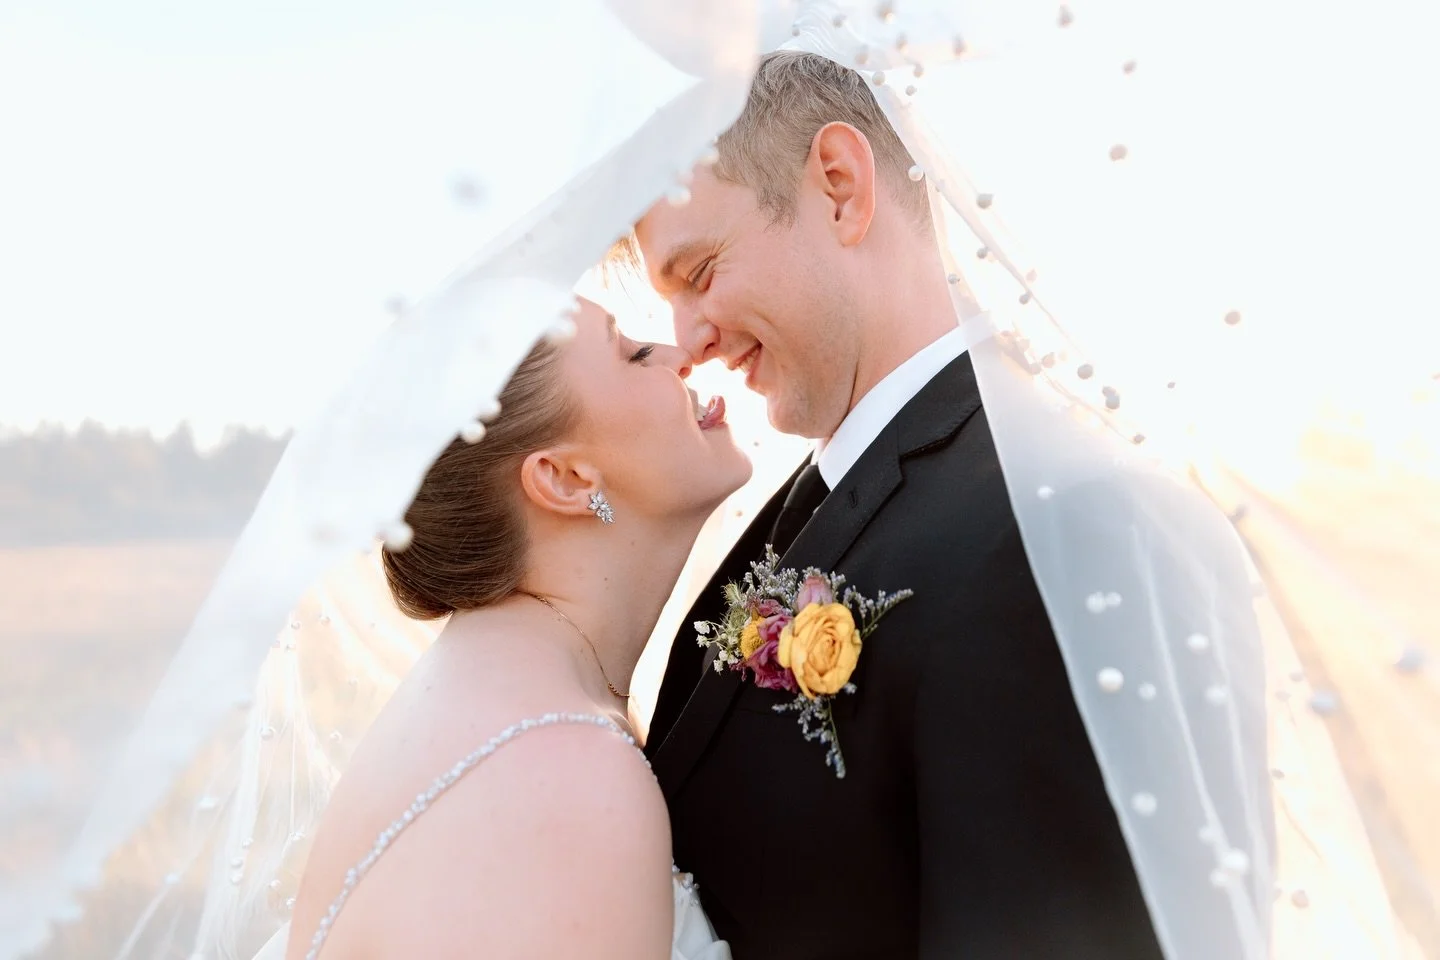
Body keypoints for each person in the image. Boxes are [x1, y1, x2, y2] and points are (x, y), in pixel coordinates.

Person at [637, 51, 1265, 959]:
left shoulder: (1068, 524)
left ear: (842, 189)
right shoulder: (802, 516)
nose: (685, 342)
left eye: (697, 274)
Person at [271, 299, 744, 959]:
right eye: (633, 353)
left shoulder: (493, 688)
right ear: (565, 478)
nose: (679, 355)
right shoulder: (567, 773)